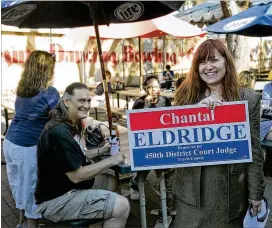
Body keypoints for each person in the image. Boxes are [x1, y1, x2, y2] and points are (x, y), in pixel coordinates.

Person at [173, 39, 265, 228]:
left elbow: (254, 151)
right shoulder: (185, 97)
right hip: (191, 194)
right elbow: (173, 145)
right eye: (202, 62)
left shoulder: (248, 99)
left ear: (226, 62)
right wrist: (193, 114)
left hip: (230, 194)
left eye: (214, 60)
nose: (208, 67)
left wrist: (256, 193)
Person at [34, 82, 130, 228]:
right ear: (66, 101)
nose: (86, 105)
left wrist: (101, 151)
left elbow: (75, 154)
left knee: (110, 181)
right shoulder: (59, 132)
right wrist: (112, 160)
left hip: (67, 186)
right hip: (56, 200)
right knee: (122, 206)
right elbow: (77, 175)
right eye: (81, 101)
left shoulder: (70, 122)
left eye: (88, 100)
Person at [3, 50, 60, 228]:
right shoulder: (49, 92)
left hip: (10, 142)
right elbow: (57, 117)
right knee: (32, 188)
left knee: (19, 184)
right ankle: (32, 225)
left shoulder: (23, 89)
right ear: (47, 70)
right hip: (28, 146)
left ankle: (22, 222)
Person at [129, 76, 172, 200]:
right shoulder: (139, 102)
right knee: (143, 169)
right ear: (145, 88)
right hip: (146, 141)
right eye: (150, 87)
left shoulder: (165, 100)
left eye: (157, 86)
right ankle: (134, 185)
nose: (154, 90)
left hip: (163, 139)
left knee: (164, 170)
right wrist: (147, 105)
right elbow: (137, 123)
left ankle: (165, 194)